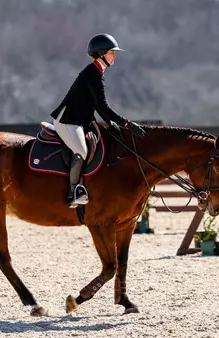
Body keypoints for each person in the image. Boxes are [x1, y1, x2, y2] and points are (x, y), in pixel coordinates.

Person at [50, 33, 146, 208]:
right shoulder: (92, 73)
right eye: (112, 52)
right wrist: (127, 124)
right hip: (68, 121)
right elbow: (103, 107)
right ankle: (73, 193)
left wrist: (111, 123)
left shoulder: (96, 72)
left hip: (81, 119)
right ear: (101, 53)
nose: (115, 55)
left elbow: (96, 106)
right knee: (81, 151)